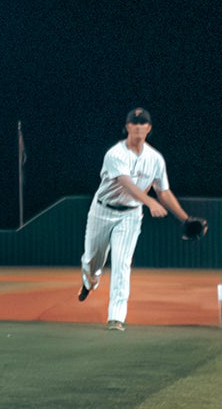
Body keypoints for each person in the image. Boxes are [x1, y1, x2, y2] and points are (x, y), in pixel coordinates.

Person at [78, 107, 197, 330]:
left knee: (122, 263)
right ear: (127, 127)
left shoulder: (155, 159)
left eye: (143, 123)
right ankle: (89, 281)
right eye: (135, 123)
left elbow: (164, 192)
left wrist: (185, 218)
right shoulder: (115, 154)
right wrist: (149, 201)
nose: (139, 126)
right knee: (93, 261)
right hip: (103, 211)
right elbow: (126, 183)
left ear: (149, 128)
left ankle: (116, 317)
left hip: (130, 216)